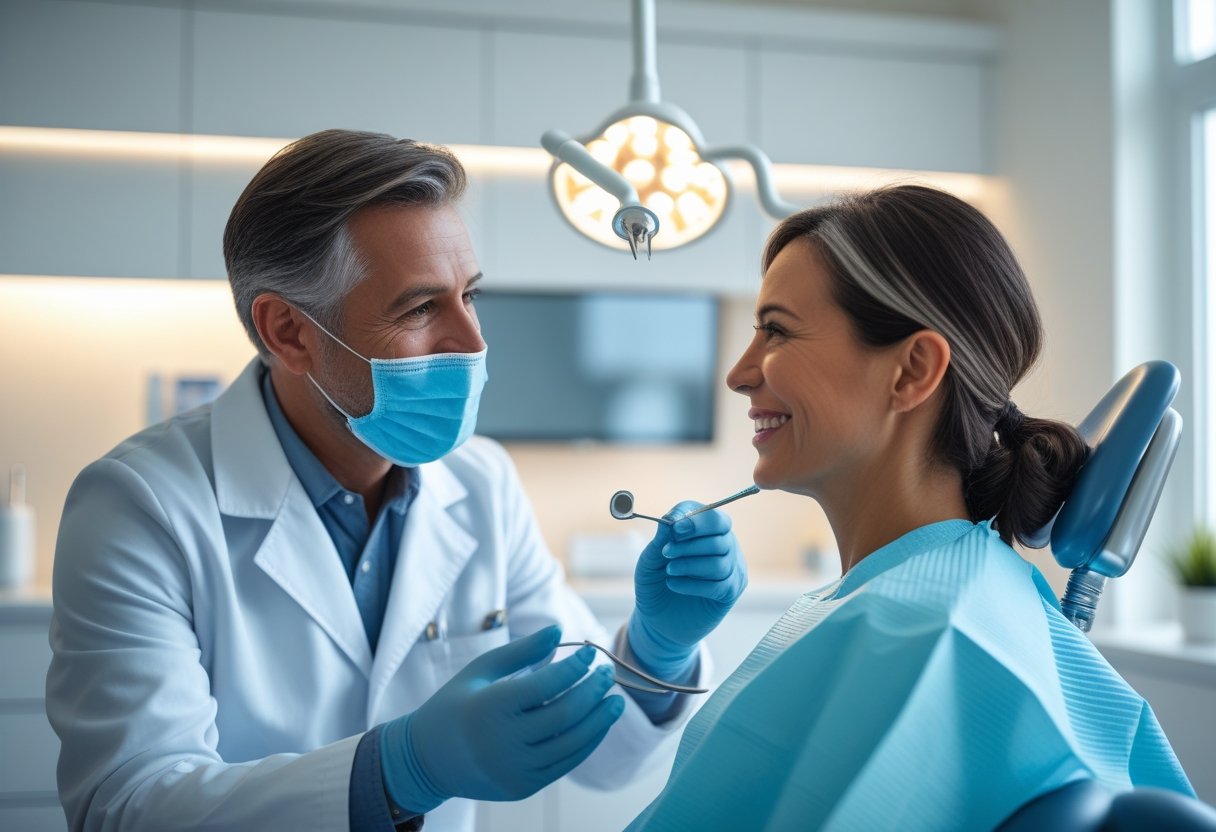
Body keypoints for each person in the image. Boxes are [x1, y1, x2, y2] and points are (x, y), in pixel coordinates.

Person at [45, 129, 747, 832]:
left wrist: (657, 651)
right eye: (420, 309)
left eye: (469, 295)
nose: (473, 342)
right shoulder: (140, 506)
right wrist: (400, 770)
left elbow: (601, 753)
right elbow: (127, 807)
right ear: (289, 332)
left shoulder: (482, 483)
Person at [624, 185, 1194, 831]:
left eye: (776, 331)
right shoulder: (939, 593)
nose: (739, 374)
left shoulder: (914, 631)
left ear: (912, 371)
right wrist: (658, 650)